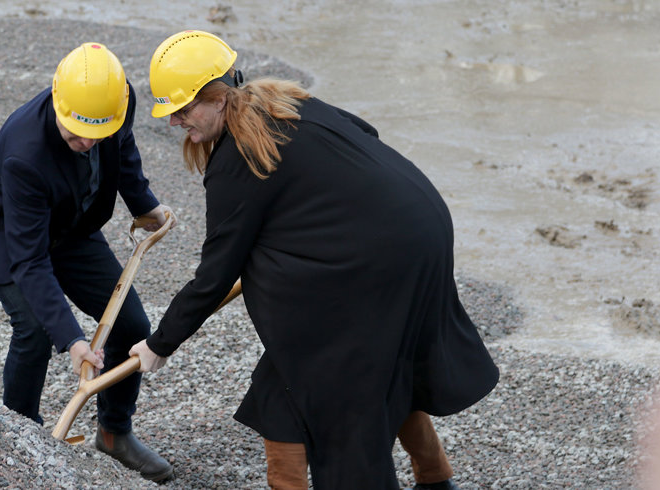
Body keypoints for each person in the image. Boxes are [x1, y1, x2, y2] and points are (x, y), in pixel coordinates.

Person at [128, 30, 500, 489]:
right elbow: (367, 136)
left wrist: (160, 344)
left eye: (183, 109)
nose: (175, 122)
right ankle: (435, 479)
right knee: (299, 376)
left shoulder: (238, 161)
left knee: (343, 392)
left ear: (219, 96)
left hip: (379, 262)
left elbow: (215, 273)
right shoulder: (286, 102)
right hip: (421, 226)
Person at [0, 42, 174, 482]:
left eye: (95, 133)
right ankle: (20, 439)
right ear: (57, 100)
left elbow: (122, 154)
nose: (86, 141)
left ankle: (114, 433)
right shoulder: (24, 154)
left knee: (132, 323)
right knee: (34, 327)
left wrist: (146, 207)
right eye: (74, 134)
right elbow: (31, 261)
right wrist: (73, 340)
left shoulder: (113, 101)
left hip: (68, 217)